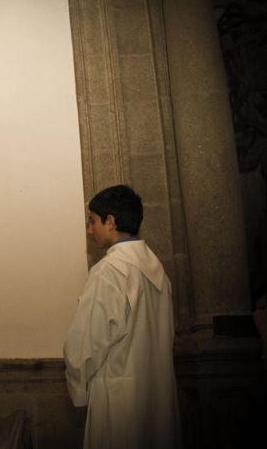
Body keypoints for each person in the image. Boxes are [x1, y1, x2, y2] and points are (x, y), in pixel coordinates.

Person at [63, 185, 182, 449]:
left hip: (119, 404)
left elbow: (85, 345)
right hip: (157, 396)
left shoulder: (109, 271)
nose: (89, 229)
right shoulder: (158, 272)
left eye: (93, 221)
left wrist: (79, 389)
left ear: (111, 221)